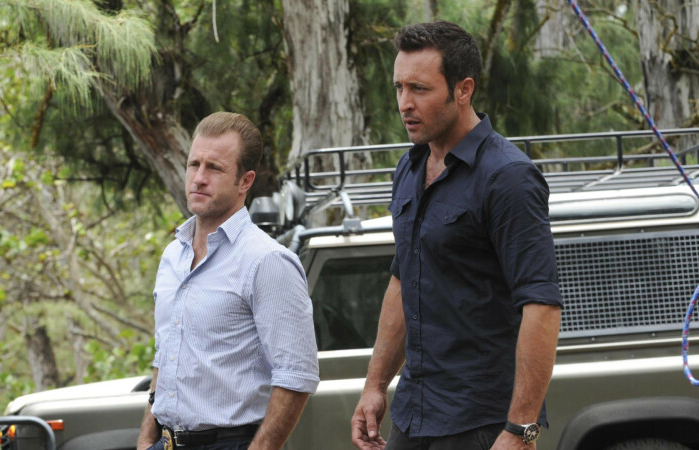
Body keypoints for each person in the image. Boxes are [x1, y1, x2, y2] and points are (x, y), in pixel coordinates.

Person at [351, 21, 563, 450]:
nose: (404, 104)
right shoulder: (409, 168)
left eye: (419, 89)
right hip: (414, 413)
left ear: (463, 89)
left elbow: (541, 306)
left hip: (482, 422)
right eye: (398, 88)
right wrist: (375, 385)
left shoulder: (508, 177)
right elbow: (403, 280)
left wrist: (521, 430)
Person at [137, 112, 320, 450]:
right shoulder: (173, 256)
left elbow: (296, 375)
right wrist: (147, 437)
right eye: (194, 164)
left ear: (245, 181)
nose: (199, 178)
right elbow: (166, 354)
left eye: (214, 168)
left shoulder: (267, 261)